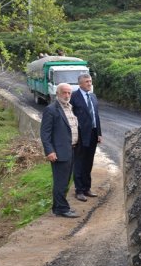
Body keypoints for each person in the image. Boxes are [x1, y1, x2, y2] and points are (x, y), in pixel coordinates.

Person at [40, 83, 80, 218]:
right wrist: (49, 151)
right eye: (64, 92)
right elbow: (45, 134)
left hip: (71, 150)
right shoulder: (51, 109)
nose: (67, 95)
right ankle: (63, 209)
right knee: (61, 182)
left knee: (65, 180)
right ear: (57, 93)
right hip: (59, 152)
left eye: (69, 93)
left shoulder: (70, 108)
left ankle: (57, 208)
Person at [70, 73, 102, 202]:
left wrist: (99, 133)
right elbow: (70, 117)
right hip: (80, 135)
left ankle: (87, 188)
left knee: (89, 162)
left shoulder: (93, 97)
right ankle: (79, 190)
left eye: (90, 81)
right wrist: (73, 136)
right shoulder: (74, 97)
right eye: (87, 82)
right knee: (79, 162)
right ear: (80, 84)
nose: (89, 83)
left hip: (93, 134)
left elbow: (96, 116)